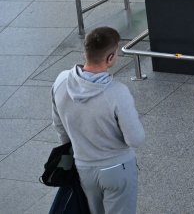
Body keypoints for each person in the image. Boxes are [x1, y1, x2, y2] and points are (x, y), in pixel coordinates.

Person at [51, 27, 145, 214]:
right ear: (110, 58)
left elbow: (59, 126)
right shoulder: (117, 92)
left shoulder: (61, 81)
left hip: (84, 167)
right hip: (117, 169)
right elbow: (135, 139)